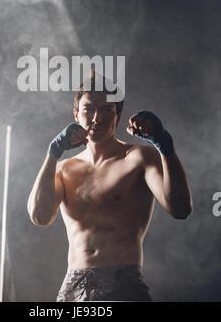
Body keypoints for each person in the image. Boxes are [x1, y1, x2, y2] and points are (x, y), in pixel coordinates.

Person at [27, 71, 193, 301]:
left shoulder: (138, 157)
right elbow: (39, 216)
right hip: (72, 288)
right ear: (76, 114)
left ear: (118, 114)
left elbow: (181, 209)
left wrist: (166, 148)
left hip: (123, 284)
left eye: (107, 109)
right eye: (89, 109)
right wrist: (52, 154)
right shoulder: (64, 168)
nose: (97, 118)